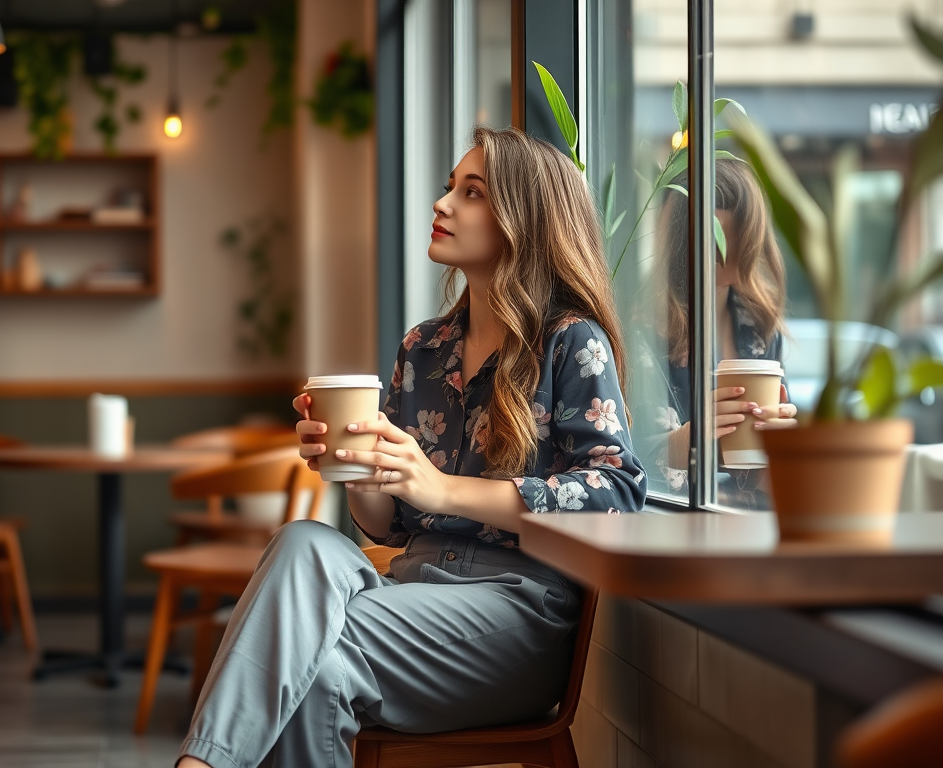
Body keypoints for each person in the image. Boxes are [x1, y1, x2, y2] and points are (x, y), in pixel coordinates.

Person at [175, 126, 646, 768]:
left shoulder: (570, 342)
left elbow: (616, 494)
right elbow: (387, 522)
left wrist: (443, 488)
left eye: (471, 192)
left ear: (522, 222)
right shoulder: (423, 349)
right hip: (410, 586)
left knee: (308, 655)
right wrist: (357, 466)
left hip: (517, 612)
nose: (443, 203)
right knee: (302, 543)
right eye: (450, 187)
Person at [639, 157, 798, 506]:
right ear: (683, 240)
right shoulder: (639, 329)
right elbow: (614, 458)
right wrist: (685, 442)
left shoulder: (761, 328)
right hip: (670, 518)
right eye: (714, 240)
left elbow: (765, 470)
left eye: (742, 235)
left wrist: (780, 441)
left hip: (749, 516)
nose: (730, 250)